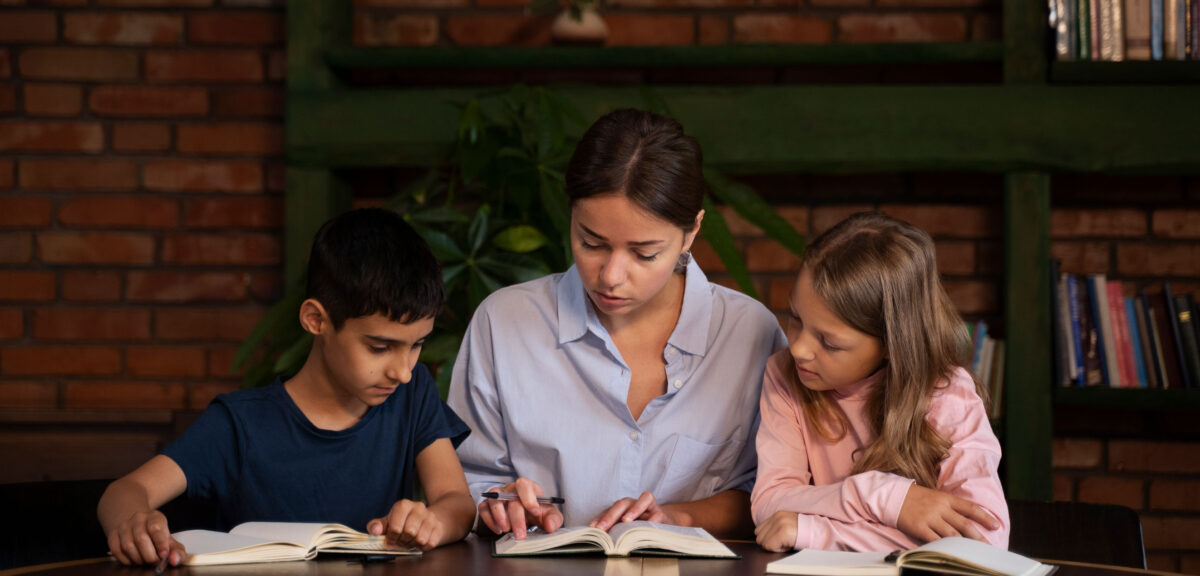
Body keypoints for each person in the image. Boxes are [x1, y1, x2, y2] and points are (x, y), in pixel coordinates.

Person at [447, 109, 787, 541]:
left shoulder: (749, 333)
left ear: (691, 232)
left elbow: (775, 492)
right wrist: (499, 505)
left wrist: (676, 517)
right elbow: (465, 484)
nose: (610, 275)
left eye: (645, 254)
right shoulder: (504, 323)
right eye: (591, 242)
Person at [97, 208, 476, 567]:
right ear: (316, 320)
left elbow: (456, 502)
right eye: (379, 347)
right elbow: (124, 491)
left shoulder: (412, 394)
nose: (403, 371)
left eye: (417, 344)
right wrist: (133, 522)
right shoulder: (241, 424)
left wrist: (431, 522)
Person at [751, 211, 1009, 553]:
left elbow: (983, 541)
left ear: (891, 345)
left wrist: (816, 532)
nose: (797, 348)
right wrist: (885, 498)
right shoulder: (784, 375)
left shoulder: (949, 397)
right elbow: (770, 503)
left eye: (829, 342)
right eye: (795, 317)